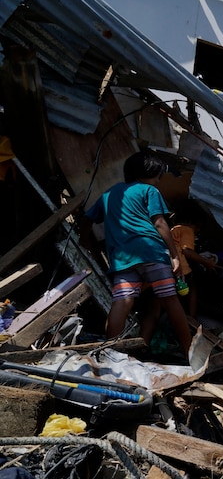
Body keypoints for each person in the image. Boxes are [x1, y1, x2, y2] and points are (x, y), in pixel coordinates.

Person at [81, 150, 191, 354]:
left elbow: (87, 219)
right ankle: (190, 352)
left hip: (122, 259)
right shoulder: (149, 191)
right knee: (170, 299)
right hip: (151, 252)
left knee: (122, 302)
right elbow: (159, 222)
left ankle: (109, 354)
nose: (158, 180)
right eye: (158, 175)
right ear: (151, 172)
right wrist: (175, 255)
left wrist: (85, 242)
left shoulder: (108, 194)